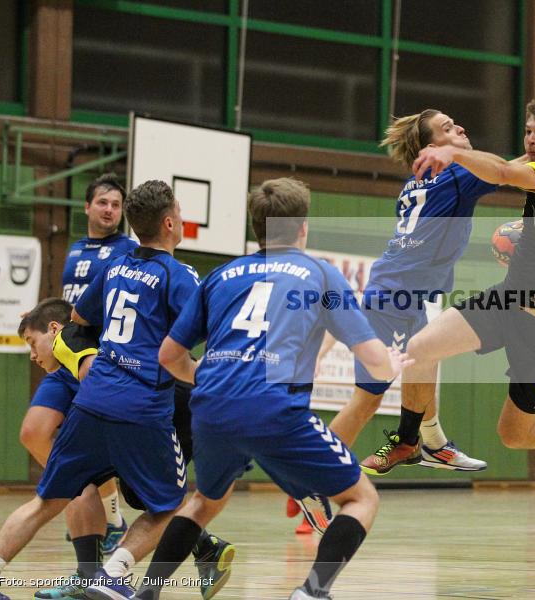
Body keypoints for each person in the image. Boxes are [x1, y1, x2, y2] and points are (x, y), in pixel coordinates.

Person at [130, 177, 410, 600]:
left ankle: (147, 594)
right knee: (361, 498)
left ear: (255, 226)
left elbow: (168, 357)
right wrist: (391, 363)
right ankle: (312, 592)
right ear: (302, 227)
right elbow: (372, 358)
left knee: (204, 501)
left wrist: (207, 378)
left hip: (211, 409)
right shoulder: (320, 273)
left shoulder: (221, 275)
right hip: (274, 409)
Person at [341, 108, 535, 475]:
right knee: (418, 351)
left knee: (513, 434)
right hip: (506, 299)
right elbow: (510, 172)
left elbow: (510, 173)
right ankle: (410, 440)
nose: (530, 139)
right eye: (528, 131)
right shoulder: (492, 174)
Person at [0, 180, 207, 600]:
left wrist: (93, 360)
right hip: (141, 408)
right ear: (170, 222)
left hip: (91, 400)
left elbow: (75, 323)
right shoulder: (180, 276)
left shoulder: (114, 268)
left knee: (46, 501)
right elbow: (200, 337)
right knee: (172, 506)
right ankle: (112, 573)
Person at [17, 298, 234, 600]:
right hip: (123, 397)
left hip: (177, 405)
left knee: (157, 498)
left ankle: (165, 566)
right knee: (136, 493)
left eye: (31, 342)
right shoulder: (73, 340)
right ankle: (104, 571)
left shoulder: (82, 334)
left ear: (53, 328)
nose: (30, 354)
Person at [21, 173, 138, 558]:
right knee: (34, 432)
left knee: (97, 452)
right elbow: (68, 306)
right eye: (103, 202)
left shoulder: (128, 249)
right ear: (87, 207)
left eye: (116, 205)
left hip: (98, 360)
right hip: (67, 357)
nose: (109, 210)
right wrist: (40, 319)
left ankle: (107, 516)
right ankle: (109, 514)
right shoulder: (75, 249)